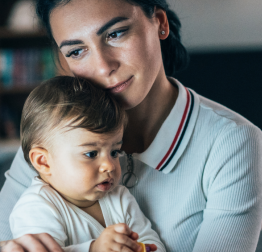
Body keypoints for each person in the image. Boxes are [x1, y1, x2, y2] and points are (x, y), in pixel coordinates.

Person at [0, 0, 262, 252]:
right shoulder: (55, 138)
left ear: (159, 23)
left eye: (115, 33)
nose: (103, 66)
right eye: (76, 51)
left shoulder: (231, 143)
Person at [9, 76, 164, 252]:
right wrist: (93, 249)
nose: (109, 165)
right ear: (43, 162)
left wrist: (141, 248)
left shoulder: (120, 198)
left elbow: (152, 243)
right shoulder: (36, 207)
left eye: (114, 152)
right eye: (91, 154)